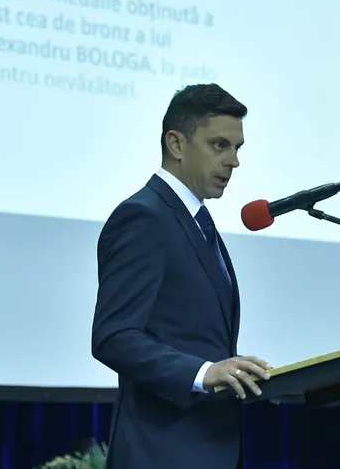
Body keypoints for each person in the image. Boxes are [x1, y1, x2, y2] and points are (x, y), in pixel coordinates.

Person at [91, 83, 272, 468]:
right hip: (162, 452)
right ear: (176, 144)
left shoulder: (197, 223)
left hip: (210, 449)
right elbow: (113, 337)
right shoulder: (144, 217)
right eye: (219, 145)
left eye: (237, 148)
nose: (234, 161)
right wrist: (204, 373)